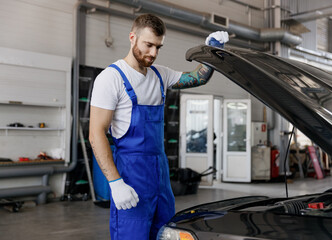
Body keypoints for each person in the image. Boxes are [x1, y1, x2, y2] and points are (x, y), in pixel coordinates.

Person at [89, 13, 228, 240]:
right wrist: (115, 183)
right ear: (132, 38)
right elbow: (96, 134)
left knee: (166, 234)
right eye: (148, 45)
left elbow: (198, 78)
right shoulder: (111, 78)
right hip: (131, 179)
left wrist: (212, 50)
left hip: (160, 177)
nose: (153, 53)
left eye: (158, 47)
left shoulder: (159, 75)